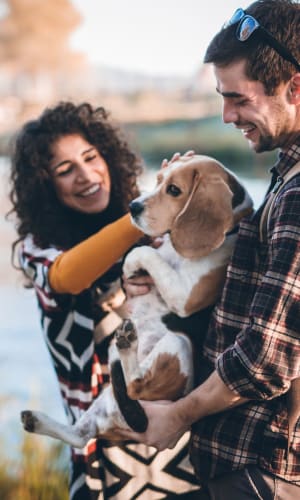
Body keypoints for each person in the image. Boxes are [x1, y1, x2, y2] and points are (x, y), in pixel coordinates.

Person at [119, 1, 300, 498]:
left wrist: (176, 415)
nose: (226, 115)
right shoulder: (286, 172)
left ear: (295, 87)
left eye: (238, 99)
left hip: (261, 468)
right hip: (244, 463)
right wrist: (183, 206)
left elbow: (266, 357)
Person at [9, 102, 201, 499]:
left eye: (90, 157)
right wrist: (145, 213)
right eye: (65, 171)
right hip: (105, 453)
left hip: (178, 440)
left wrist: (183, 192)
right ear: (47, 187)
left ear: (108, 156)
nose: (86, 175)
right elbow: (67, 275)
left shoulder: (156, 234)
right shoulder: (40, 250)